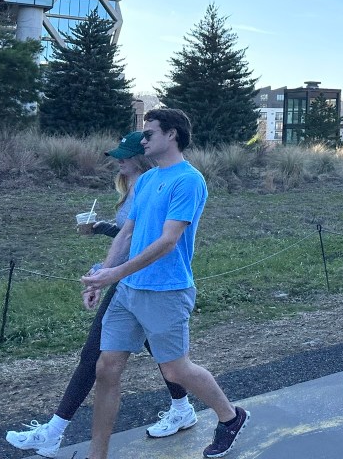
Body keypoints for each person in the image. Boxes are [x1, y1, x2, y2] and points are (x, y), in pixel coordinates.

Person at [5, 132, 193, 457]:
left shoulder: (151, 184)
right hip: (127, 280)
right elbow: (127, 234)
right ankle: (182, 407)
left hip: (141, 281)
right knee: (160, 355)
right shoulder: (135, 185)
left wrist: (102, 275)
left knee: (96, 354)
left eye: (124, 155)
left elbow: (147, 240)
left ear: (140, 156)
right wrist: (102, 242)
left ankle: (54, 432)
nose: (118, 160)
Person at [81, 109, 250, 459]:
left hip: (166, 291)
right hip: (128, 291)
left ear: (171, 134)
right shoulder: (146, 180)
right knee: (106, 368)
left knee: (175, 369)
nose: (143, 140)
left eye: (149, 134)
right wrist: (101, 276)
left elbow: (168, 240)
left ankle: (231, 417)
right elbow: (127, 234)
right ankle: (97, 455)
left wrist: (115, 273)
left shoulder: (188, 180)